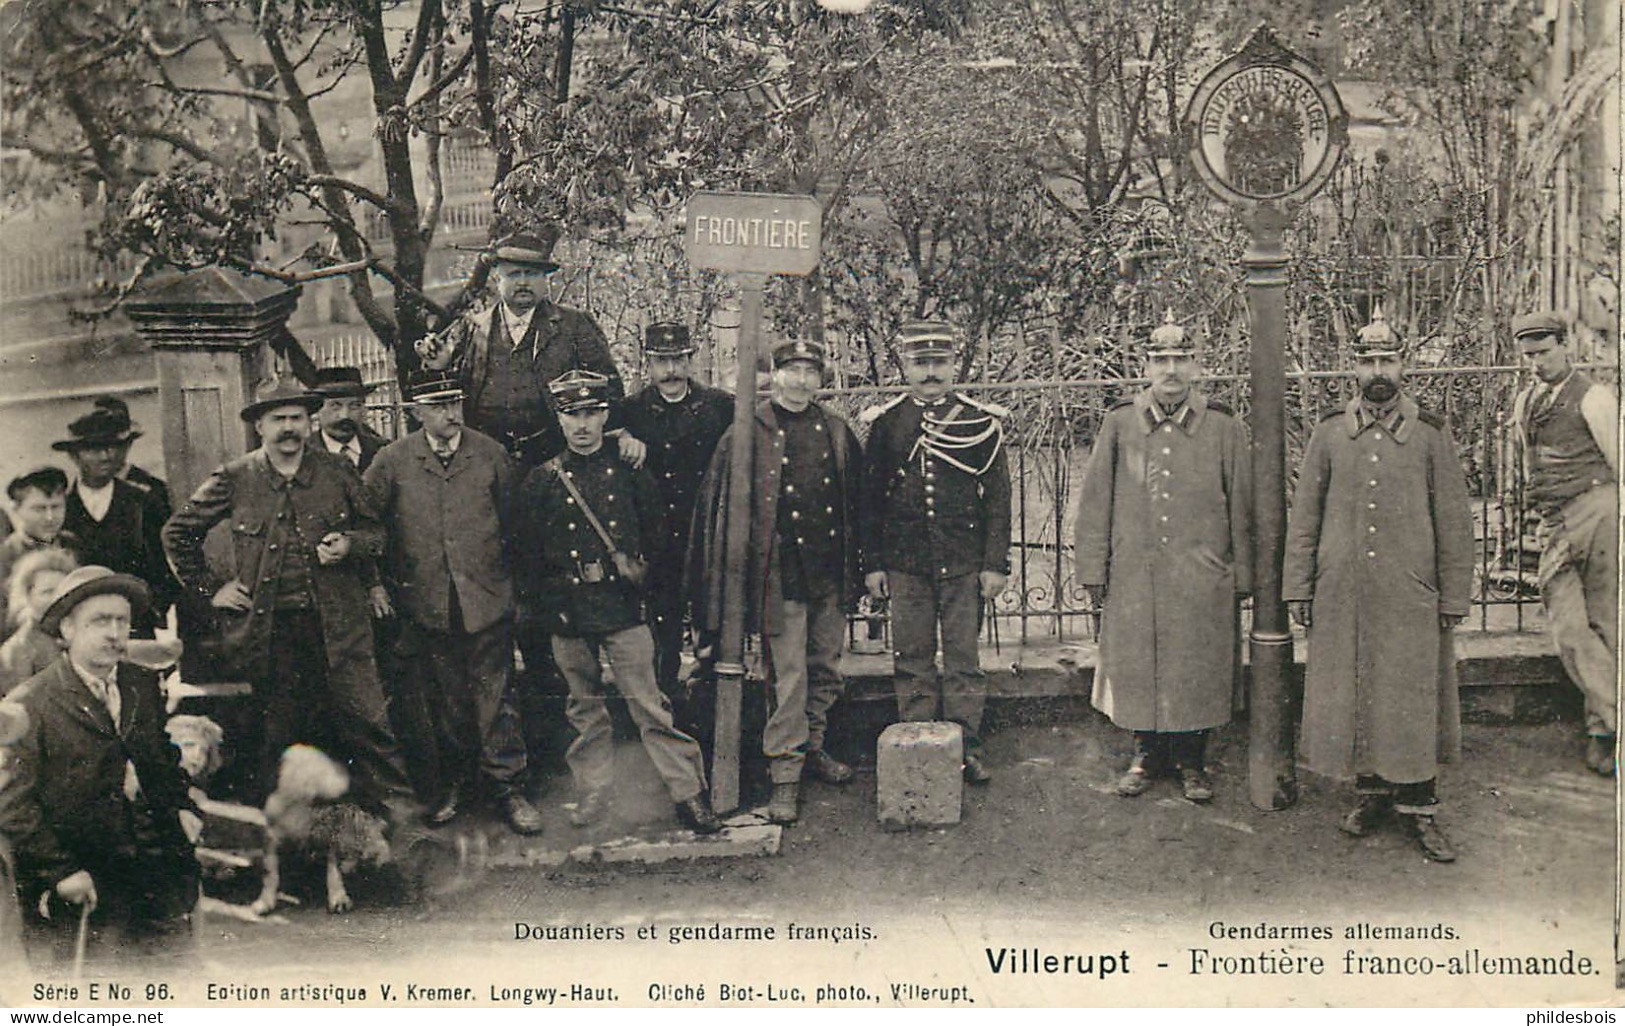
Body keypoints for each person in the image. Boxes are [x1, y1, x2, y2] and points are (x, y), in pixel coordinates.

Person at [161, 379, 419, 828]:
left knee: (370, 724)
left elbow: (377, 534)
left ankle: (402, 827)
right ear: (259, 425)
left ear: (309, 421)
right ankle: (287, 839)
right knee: (279, 736)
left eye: (297, 418)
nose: (288, 428)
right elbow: (178, 533)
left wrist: (350, 545)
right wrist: (211, 589)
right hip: (271, 636)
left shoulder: (337, 472)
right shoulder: (236, 478)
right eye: (277, 419)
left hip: (339, 627)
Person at [1284, 308, 1473, 862]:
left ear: (1404, 365)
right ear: (1354, 369)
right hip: (1343, 592)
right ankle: (1370, 794)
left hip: (1410, 592)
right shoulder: (1329, 434)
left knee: (1411, 695)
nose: (1377, 371)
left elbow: (1455, 521)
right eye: (1367, 361)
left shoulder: (1431, 436)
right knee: (1357, 692)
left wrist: (1454, 594)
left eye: (1387, 359)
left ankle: (1420, 808)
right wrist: (1300, 587)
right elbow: (1306, 517)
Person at [515, 370, 720, 835]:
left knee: (650, 705)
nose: (583, 425)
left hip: (622, 607)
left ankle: (688, 793)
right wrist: (549, 606)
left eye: (592, 413)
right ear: (560, 419)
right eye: (573, 415)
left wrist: (640, 582)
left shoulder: (630, 473)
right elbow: (526, 554)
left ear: (606, 415)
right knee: (584, 708)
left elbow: (659, 538)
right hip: (567, 610)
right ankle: (594, 791)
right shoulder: (542, 481)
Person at [1073, 312, 1252, 803]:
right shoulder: (1119, 424)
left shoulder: (1223, 428)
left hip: (1202, 575)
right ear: (1146, 366)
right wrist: (1094, 570)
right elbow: (1095, 503)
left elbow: (1243, 505)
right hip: (1136, 575)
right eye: (1161, 359)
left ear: (1197, 366)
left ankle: (1193, 760)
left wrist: (1244, 576)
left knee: (1197, 665)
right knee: (1138, 664)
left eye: (1181, 359)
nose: (1171, 369)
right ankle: (1145, 754)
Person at [689, 339, 864, 824]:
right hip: (780, 576)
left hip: (828, 569)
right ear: (776, 374)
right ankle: (784, 774)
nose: (802, 380)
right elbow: (722, 510)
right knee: (788, 677)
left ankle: (814, 748)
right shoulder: (748, 431)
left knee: (825, 665)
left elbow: (857, 503)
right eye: (793, 370)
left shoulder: (834, 428)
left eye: (811, 370)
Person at [364, 371, 541, 835]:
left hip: (487, 599)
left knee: (497, 698)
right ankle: (457, 785)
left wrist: (515, 591)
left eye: (455, 402)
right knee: (446, 703)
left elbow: (515, 528)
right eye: (439, 405)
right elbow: (366, 527)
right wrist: (375, 584)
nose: (451, 413)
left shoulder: (490, 455)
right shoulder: (392, 462)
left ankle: (508, 788)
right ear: (415, 413)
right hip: (427, 603)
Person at [0, 566, 199, 963]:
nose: (113, 633)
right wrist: (59, 872)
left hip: (157, 875)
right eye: (99, 621)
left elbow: (161, 758)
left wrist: (184, 807)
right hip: (82, 887)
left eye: (122, 621)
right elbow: (11, 803)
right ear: (68, 630)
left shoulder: (140, 685)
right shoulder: (31, 702)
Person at [860, 320, 1011, 784]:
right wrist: (874, 564)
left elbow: (998, 498)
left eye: (938, 363)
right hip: (906, 564)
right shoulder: (888, 424)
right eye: (921, 363)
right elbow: (870, 501)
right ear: (906, 365)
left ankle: (966, 747)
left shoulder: (979, 423)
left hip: (963, 563)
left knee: (964, 661)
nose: (930, 373)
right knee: (912, 660)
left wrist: (994, 564)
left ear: (953, 365)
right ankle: (917, 747)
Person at [415, 229, 636, 469]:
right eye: (514, 274)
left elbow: (608, 386)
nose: (522, 282)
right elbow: (453, 396)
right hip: (487, 459)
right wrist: (441, 366)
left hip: (556, 457)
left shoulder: (574, 325)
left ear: (544, 280)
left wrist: (617, 434)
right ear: (497, 279)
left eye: (531, 274)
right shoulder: (473, 327)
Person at [1507, 311, 1618, 776]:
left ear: (1564, 345)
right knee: (1568, 628)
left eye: (1544, 351)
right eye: (1528, 355)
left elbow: (1619, 460)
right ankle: (1615, 713)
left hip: (1598, 510)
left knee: (1608, 622)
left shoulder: (1594, 397)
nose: (1536, 362)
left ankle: (1602, 731)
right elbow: (1525, 464)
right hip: (1553, 521)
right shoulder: (1525, 402)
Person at [613, 322, 734, 697]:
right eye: (661, 361)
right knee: (659, 622)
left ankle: (709, 695)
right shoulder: (631, 411)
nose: (670, 371)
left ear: (690, 360)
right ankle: (662, 700)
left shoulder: (719, 406)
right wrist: (622, 436)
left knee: (711, 617)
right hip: (656, 532)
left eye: (677, 360)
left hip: (706, 529)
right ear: (647, 364)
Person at [53, 403, 177, 637]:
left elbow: (164, 571)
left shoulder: (142, 502)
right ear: (74, 455)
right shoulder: (61, 508)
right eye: (93, 449)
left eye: (112, 447)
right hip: (81, 628)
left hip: (135, 625)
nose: (105, 456)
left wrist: (149, 610)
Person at [0, 468, 79, 631]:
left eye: (56, 507)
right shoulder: (5, 556)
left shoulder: (75, 545)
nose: (50, 517)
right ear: (17, 510)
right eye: (39, 509)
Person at [0, 548, 77, 696]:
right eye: (47, 592)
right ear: (28, 596)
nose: (57, 599)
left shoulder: (71, 636)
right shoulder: (19, 649)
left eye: (64, 591)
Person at [87, 397, 171, 512]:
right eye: (96, 447)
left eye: (113, 445)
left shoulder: (153, 490)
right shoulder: (82, 489)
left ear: (128, 444)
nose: (104, 454)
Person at [308, 367, 389, 473]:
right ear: (317, 410)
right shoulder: (303, 453)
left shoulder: (384, 451)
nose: (345, 415)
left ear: (364, 410)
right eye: (335, 406)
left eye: (354, 406)